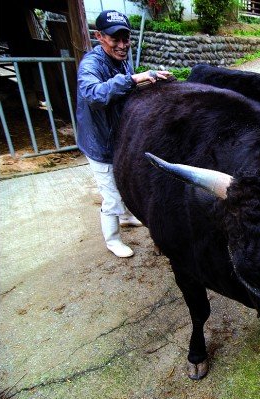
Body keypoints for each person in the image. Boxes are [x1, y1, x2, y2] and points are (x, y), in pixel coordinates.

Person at [76, 10, 173, 258]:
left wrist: (150, 79)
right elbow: (94, 95)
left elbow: (127, 87)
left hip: (119, 138)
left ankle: (128, 217)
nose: (122, 45)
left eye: (125, 39)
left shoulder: (120, 59)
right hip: (99, 141)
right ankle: (112, 239)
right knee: (110, 193)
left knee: (124, 181)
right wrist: (133, 79)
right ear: (99, 36)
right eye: (114, 39)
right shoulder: (91, 64)